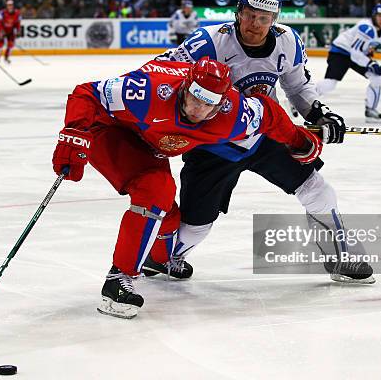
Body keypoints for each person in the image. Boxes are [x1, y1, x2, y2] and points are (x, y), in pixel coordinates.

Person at [51, 57, 323, 318]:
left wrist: (299, 139)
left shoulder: (235, 114)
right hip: (112, 132)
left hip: (150, 145)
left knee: (167, 212)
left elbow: (270, 115)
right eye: (194, 96)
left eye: (209, 104)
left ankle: (159, 260)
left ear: (222, 103)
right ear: (184, 87)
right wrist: (75, 134)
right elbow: (87, 93)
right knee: (156, 190)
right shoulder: (149, 90)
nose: (198, 109)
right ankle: (118, 279)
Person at [156, 0, 373, 285]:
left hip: (264, 136)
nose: (254, 24)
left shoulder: (287, 41)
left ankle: (340, 257)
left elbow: (297, 86)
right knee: (196, 226)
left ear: (275, 19)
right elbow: (161, 74)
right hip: (214, 145)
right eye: (248, 13)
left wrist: (318, 112)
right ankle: (161, 257)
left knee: (317, 189)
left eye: (263, 18)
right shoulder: (209, 41)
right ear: (237, 11)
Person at [315, 4, 381, 121]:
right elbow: (355, 53)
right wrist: (371, 64)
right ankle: (302, 99)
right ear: (374, 16)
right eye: (380, 16)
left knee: (376, 77)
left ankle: (371, 109)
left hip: (358, 54)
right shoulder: (366, 28)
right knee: (330, 84)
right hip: (341, 51)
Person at [0, 0, 21, 64]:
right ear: (6, 6)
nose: (10, 6)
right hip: (2, 30)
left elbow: (17, 23)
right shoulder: (2, 13)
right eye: (8, 5)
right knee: (0, 45)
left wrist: (18, 31)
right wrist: (1, 31)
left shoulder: (17, 13)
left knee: (11, 45)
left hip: (10, 31)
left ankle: (7, 57)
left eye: (11, 5)